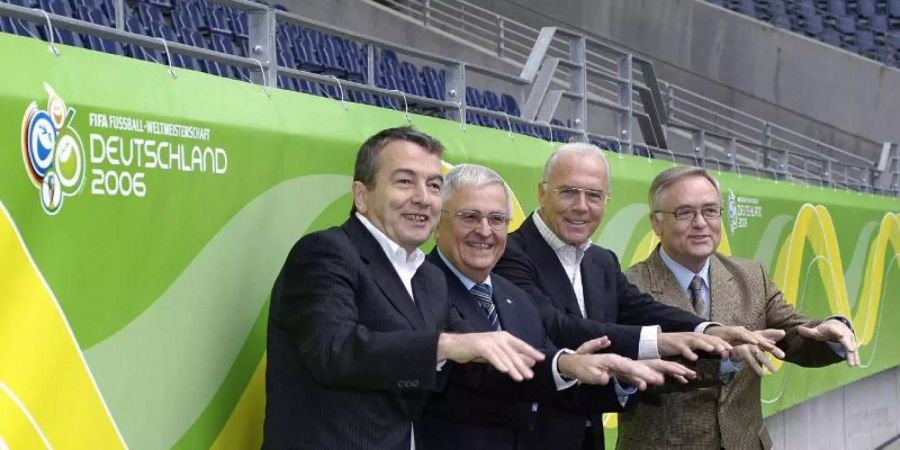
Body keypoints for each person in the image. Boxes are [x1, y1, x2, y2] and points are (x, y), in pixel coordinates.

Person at [263, 127, 545, 450]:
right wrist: (444, 346)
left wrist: (564, 365)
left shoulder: (427, 276)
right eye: (404, 181)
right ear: (361, 195)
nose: (423, 198)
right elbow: (334, 350)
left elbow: (479, 349)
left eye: (433, 185)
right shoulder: (325, 252)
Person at [494, 143, 775, 450]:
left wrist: (707, 331)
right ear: (542, 193)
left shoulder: (600, 260)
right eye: (569, 192)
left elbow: (641, 309)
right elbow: (556, 325)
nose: (581, 206)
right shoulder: (509, 254)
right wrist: (662, 341)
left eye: (594, 195)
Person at [419, 164, 697, 450]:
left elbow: (549, 386)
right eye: (470, 217)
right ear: (437, 224)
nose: (485, 231)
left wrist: (622, 375)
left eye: (498, 219)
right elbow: (482, 373)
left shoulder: (516, 298)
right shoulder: (419, 288)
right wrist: (565, 363)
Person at [617, 166, 858, 450]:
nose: (700, 223)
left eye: (710, 210)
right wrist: (722, 356)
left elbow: (792, 334)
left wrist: (828, 332)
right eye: (684, 212)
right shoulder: (628, 287)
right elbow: (629, 372)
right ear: (656, 224)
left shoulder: (750, 276)